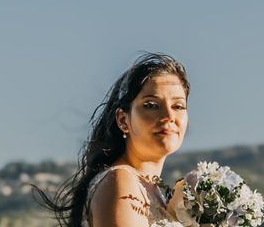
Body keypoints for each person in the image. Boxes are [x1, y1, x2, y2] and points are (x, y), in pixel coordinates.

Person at [32, 52, 190, 227]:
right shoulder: (121, 182)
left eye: (178, 106)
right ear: (123, 120)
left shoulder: (152, 190)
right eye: (151, 105)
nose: (169, 116)